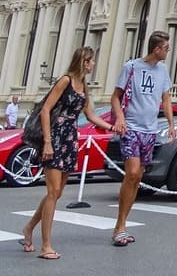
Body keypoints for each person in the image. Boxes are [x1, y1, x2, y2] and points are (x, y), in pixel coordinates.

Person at [21, 47, 114, 260]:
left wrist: (111, 128)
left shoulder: (84, 87)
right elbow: (46, 109)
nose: (93, 65)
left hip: (70, 139)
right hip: (55, 137)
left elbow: (90, 115)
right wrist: (47, 142)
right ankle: (46, 245)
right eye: (90, 61)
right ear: (83, 62)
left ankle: (28, 229)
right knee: (53, 191)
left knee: (57, 193)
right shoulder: (65, 81)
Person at [110, 30, 176, 247]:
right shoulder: (131, 67)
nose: (168, 51)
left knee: (138, 177)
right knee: (131, 173)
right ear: (156, 49)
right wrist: (120, 118)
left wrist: (171, 125)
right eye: (166, 48)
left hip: (150, 130)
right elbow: (116, 97)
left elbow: (166, 100)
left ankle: (123, 223)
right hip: (131, 128)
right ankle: (119, 226)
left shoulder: (163, 71)